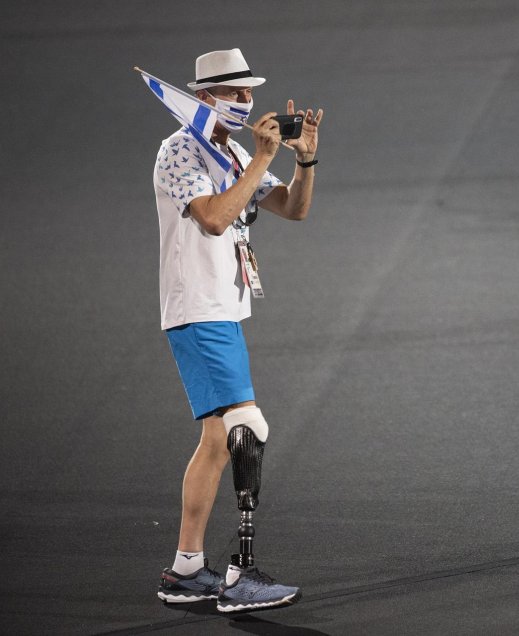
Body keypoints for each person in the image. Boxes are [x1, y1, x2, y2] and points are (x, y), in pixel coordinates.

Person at [153, 48, 322, 613]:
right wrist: (259, 159)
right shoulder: (180, 150)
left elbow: (292, 210)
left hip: (220, 310)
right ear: (204, 99)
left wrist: (304, 163)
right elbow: (215, 218)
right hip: (198, 310)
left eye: (249, 93)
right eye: (235, 94)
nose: (246, 104)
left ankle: (186, 569)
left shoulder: (227, 151)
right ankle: (240, 574)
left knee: (216, 442)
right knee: (248, 425)